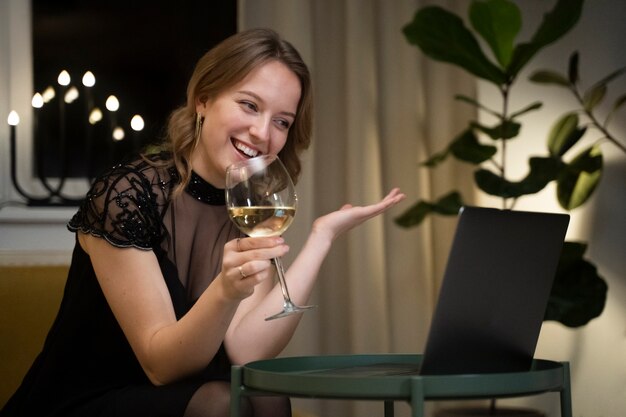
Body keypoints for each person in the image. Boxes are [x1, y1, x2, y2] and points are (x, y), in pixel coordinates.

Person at [0, 28, 405, 417]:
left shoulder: (251, 204)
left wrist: (322, 237)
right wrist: (226, 291)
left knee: (266, 399)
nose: (262, 132)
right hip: (88, 398)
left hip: (186, 399)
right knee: (217, 404)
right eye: (249, 105)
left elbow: (247, 350)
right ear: (204, 99)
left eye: (282, 121)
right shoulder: (126, 194)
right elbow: (162, 366)